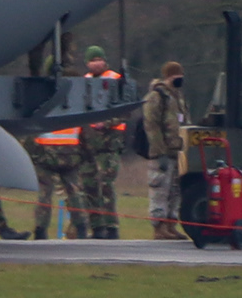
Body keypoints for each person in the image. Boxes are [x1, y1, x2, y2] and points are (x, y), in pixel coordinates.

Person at [140, 62, 190, 240]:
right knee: (160, 190)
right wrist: (159, 151)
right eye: (176, 76)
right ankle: (158, 227)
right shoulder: (157, 96)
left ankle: (170, 225)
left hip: (178, 152)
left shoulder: (178, 97)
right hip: (161, 153)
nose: (179, 79)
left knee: (175, 191)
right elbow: (151, 125)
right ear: (168, 77)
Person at [28, 126, 85, 239]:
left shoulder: (42, 110)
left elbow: (30, 135)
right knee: (74, 193)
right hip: (71, 155)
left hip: (46, 155)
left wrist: (33, 155)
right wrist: (83, 155)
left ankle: (41, 230)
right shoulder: (73, 110)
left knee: (45, 193)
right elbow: (85, 135)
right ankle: (81, 228)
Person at [77, 115, 128, 239]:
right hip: (88, 153)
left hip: (108, 152)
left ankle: (111, 228)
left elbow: (124, 114)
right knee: (89, 189)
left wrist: (106, 122)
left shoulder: (112, 101)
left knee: (106, 189)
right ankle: (97, 228)